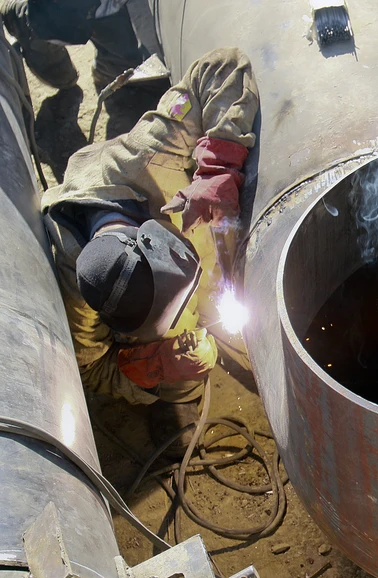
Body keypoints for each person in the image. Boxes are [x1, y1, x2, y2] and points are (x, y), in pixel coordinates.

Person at [41, 47, 259, 440]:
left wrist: (217, 167)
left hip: (118, 169)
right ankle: (179, 396)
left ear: (157, 239)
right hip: (94, 208)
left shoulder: (152, 154)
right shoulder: (74, 286)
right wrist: (159, 366)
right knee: (176, 366)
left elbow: (221, 66)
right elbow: (91, 367)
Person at [0, 0, 147, 90]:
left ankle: (108, 70)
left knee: (124, 62)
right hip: (53, 13)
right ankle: (19, 18)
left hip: (110, 11)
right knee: (40, 24)